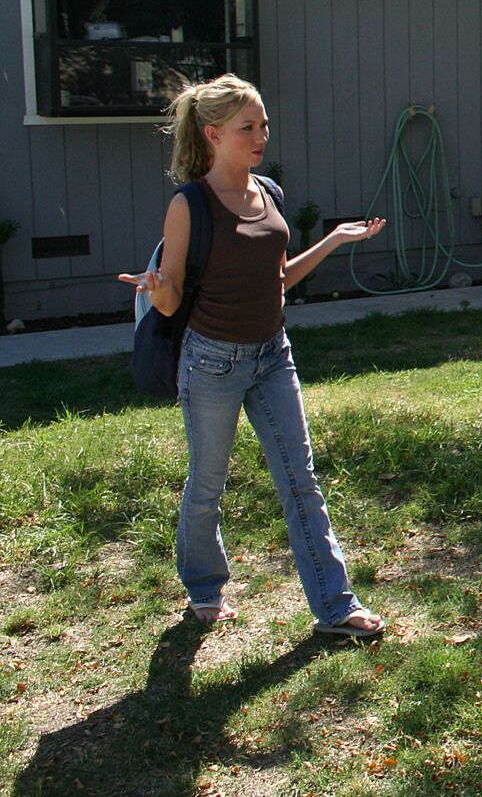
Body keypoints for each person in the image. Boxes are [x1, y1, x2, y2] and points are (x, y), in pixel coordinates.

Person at [118, 75, 388, 638]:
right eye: (248, 128)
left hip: (273, 355)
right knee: (207, 483)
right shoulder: (189, 204)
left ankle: (335, 607)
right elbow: (170, 301)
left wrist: (335, 240)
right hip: (211, 362)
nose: (261, 135)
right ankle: (203, 588)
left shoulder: (270, 193)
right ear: (213, 134)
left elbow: (279, 279)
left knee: (300, 481)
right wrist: (154, 287)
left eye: (264, 124)